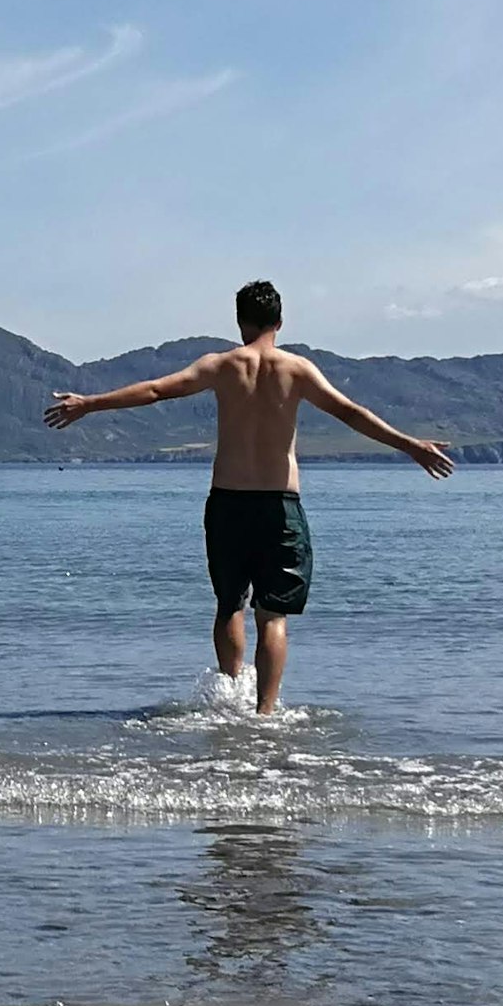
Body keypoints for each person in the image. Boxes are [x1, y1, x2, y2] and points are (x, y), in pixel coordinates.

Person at [43, 279, 454, 714]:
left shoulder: (221, 366)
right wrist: (410, 445)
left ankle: (230, 696)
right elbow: (350, 412)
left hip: (228, 502)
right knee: (272, 616)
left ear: (240, 322)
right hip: (279, 504)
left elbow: (156, 390)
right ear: (280, 321)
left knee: (228, 605)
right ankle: (264, 714)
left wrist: (90, 403)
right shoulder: (297, 370)